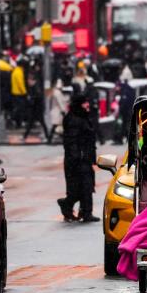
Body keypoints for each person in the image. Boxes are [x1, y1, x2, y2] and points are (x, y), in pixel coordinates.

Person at [58, 94, 99, 223]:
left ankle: (86, 212)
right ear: (78, 105)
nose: (88, 105)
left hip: (83, 159)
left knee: (87, 187)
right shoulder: (73, 119)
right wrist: (77, 157)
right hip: (76, 160)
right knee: (77, 189)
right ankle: (68, 206)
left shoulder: (82, 117)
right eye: (84, 103)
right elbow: (71, 142)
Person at [22, 70, 49, 142]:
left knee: (40, 123)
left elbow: (38, 97)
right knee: (32, 124)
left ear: (32, 80)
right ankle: (25, 136)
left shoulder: (36, 87)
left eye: (28, 80)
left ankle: (48, 137)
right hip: (36, 109)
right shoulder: (34, 87)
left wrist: (30, 98)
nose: (27, 82)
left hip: (37, 109)